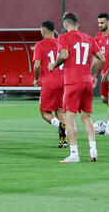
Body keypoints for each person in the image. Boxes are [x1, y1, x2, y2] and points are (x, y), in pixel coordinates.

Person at [54, 11, 103, 163]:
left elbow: (63, 55)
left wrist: (53, 65)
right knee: (86, 117)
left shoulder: (63, 38)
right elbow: (101, 58)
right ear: (78, 24)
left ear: (65, 24)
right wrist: (95, 75)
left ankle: (74, 153)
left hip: (72, 82)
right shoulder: (89, 38)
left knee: (69, 118)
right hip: (87, 81)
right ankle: (93, 151)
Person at [32, 19, 67, 148]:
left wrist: (36, 78)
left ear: (44, 30)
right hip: (63, 81)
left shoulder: (39, 45)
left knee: (45, 112)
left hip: (49, 82)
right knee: (59, 110)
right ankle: (63, 140)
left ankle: (59, 125)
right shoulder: (61, 42)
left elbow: (37, 66)